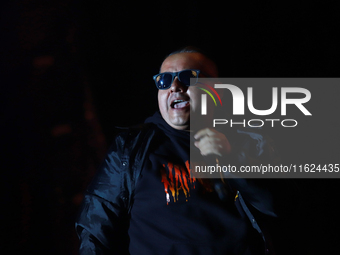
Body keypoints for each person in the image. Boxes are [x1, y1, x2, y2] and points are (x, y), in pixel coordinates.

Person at [75, 47, 294, 255]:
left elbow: (277, 208)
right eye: (164, 80)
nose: (175, 86)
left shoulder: (249, 141)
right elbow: (96, 225)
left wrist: (232, 159)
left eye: (189, 77)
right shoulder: (131, 149)